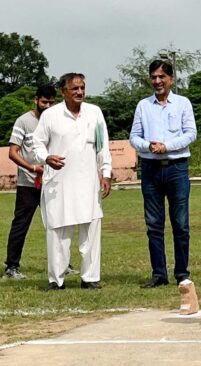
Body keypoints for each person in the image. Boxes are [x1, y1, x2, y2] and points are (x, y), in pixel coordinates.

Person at [32, 73, 112, 291]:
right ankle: (56, 280)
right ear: (63, 92)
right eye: (74, 88)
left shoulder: (94, 112)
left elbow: (102, 145)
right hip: (59, 184)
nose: (79, 92)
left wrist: (106, 173)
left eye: (82, 88)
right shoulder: (51, 115)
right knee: (58, 232)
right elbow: (36, 143)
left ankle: (90, 278)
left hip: (88, 182)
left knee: (91, 229)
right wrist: (46, 157)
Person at [129, 60, 197, 290]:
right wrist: (149, 146)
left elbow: (190, 134)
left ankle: (182, 273)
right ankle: (159, 273)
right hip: (150, 169)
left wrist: (166, 146)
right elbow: (134, 137)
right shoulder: (143, 105)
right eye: (153, 77)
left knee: (180, 223)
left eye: (161, 77)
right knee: (154, 224)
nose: (157, 81)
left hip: (177, 167)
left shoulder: (182, 103)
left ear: (171, 79)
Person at [3, 85, 56, 279]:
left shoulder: (56, 120)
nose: (48, 106)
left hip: (52, 182)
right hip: (29, 183)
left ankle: (62, 264)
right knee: (21, 224)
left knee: (57, 224)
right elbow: (12, 152)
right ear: (36, 100)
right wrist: (33, 168)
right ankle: (11, 267)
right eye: (44, 102)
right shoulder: (24, 121)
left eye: (52, 102)